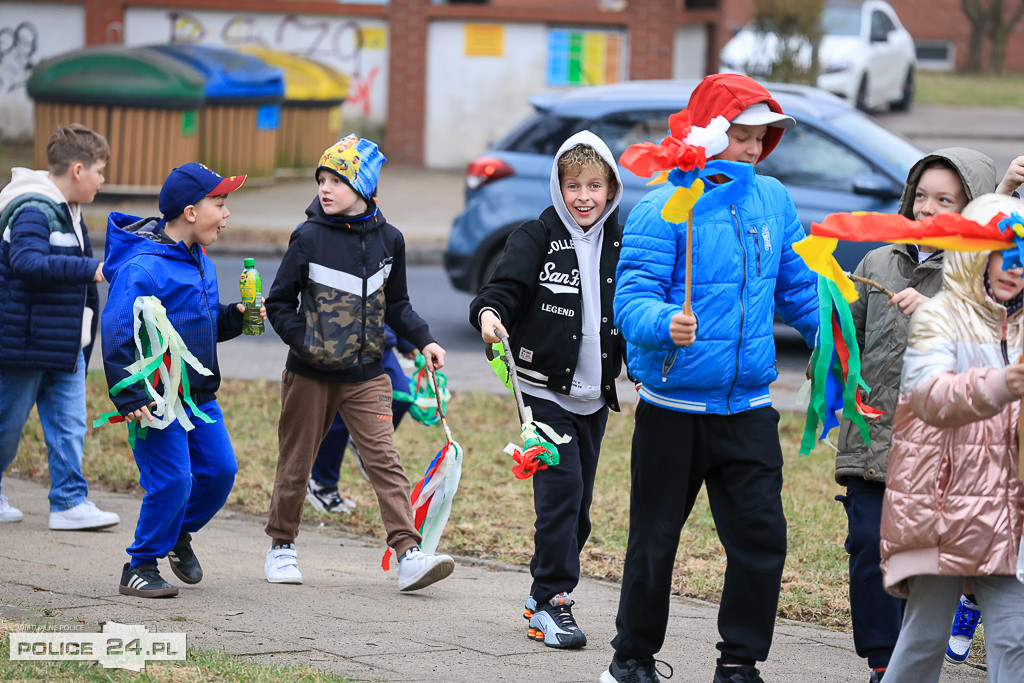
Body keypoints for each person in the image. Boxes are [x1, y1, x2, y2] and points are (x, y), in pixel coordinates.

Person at [604, 73, 819, 683]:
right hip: (673, 408)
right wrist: (663, 322)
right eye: (742, 136)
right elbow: (632, 300)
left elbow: (800, 286)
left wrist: (834, 337)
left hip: (749, 406)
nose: (754, 149)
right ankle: (633, 657)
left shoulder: (774, 200)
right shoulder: (662, 206)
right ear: (711, 135)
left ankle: (739, 662)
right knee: (655, 541)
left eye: (762, 137)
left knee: (761, 538)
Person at [263, 134, 454, 592]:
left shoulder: (391, 240)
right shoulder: (307, 237)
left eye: (337, 180)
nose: (325, 188)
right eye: (322, 179)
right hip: (310, 373)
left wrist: (424, 339)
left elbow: (399, 304)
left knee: (385, 461)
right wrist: (305, 343)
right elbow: (278, 302)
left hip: (367, 373)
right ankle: (281, 547)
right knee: (296, 463)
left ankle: (408, 554)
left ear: (364, 187)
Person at [833, 148, 997, 681]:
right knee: (867, 547)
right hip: (873, 442)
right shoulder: (878, 262)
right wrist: (830, 356)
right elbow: (845, 338)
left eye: (945, 199)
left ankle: (913, 656)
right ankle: (884, 662)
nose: (927, 208)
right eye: (921, 196)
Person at [469, 130, 625, 649]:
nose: (584, 196)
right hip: (541, 392)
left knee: (578, 509)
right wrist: (489, 314)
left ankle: (546, 592)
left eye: (595, 185)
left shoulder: (622, 241)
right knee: (560, 496)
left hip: (593, 397)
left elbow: (635, 306)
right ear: (558, 186)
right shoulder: (535, 236)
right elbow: (501, 290)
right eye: (574, 184)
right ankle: (552, 602)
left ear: (611, 188)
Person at [879, 193, 1024, 682]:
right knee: (924, 637)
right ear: (972, 254)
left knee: (1015, 637)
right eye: (1002, 253)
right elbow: (927, 396)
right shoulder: (941, 316)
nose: (1013, 268)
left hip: (1009, 513)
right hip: (942, 506)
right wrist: (1001, 385)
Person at [101, 162, 255, 597]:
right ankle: (140, 565)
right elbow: (116, 333)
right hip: (154, 398)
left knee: (221, 472)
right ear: (190, 211)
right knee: (173, 481)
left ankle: (175, 535)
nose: (226, 215)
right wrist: (130, 394)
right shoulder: (144, 268)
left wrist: (234, 318)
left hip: (198, 397)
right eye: (220, 204)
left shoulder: (200, 259)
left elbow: (198, 324)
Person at [0, 123, 120, 531]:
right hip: (25, 345)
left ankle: (69, 501)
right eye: (101, 172)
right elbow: (27, 263)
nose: (103, 181)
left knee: (70, 426)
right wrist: (92, 269)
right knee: (7, 427)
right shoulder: (34, 209)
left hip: (62, 345)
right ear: (78, 170)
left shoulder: (70, 212)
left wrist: (84, 340)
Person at [306, 326, 416, 514]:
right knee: (339, 417)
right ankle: (322, 485)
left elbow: (393, 300)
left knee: (401, 396)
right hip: (340, 343)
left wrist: (406, 341)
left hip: (380, 343)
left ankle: (360, 441)